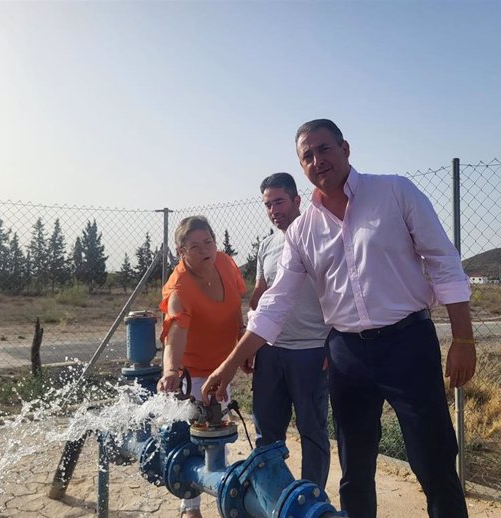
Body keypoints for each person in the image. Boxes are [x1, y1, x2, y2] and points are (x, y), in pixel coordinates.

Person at [202, 119, 476, 518]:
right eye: (307, 155)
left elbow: (444, 262)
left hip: (408, 343)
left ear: (345, 148)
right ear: (301, 166)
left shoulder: (394, 192)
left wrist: (463, 339)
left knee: (433, 460)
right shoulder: (302, 231)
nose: (317, 160)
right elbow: (275, 303)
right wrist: (227, 368)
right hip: (347, 353)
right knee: (355, 468)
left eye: (324, 149)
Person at [157, 215, 246, 518]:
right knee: (197, 436)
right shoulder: (179, 289)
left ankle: (222, 492)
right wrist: (171, 370)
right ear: (181, 252)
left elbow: (237, 309)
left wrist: (242, 345)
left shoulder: (226, 263)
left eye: (208, 241)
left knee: (219, 431)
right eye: (195, 246)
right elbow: (174, 336)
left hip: (224, 366)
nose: (205, 250)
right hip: (193, 373)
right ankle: (190, 507)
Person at [246, 172, 331, 488]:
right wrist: (249, 344)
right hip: (270, 351)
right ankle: (273, 497)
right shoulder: (267, 244)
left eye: (279, 202)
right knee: (267, 433)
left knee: (313, 432)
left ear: (297, 200)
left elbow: (338, 293)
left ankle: (312, 500)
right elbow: (260, 296)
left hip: (311, 351)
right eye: (268, 205)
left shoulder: (321, 236)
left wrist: (333, 344)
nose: (273, 210)